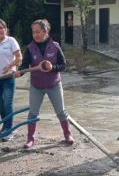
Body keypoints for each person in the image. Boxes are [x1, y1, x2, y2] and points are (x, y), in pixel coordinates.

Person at [14, 19, 74, 149]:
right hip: (36, 85)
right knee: (33, 113)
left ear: (45, 31)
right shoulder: (30, 48)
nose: (35, 34)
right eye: (33, 32)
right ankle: (30, 139)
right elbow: (25, 66)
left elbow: (63, 66)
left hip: (54, 84)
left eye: (38, 31)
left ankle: (67, 134)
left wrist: (52, 67)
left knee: (61, 112)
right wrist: (19, 72)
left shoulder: (55, 46)